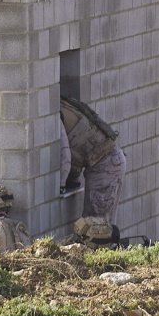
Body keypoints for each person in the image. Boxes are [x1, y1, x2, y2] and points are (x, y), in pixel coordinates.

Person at [60, 95, 126, 241]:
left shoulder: (57, 113)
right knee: (95, 229)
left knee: (96, 232)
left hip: (105, 165)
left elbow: (65, 155)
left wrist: (61, 185)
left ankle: (101, 261)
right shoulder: (65, 105)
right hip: (107, 163)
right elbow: (77, 148)